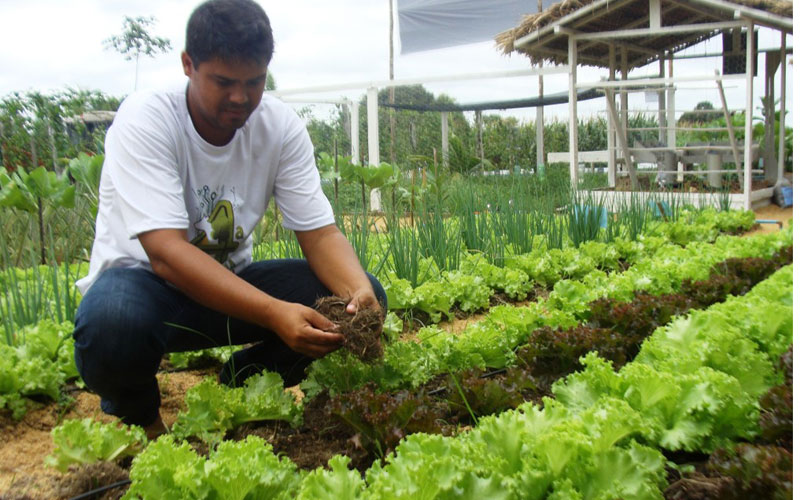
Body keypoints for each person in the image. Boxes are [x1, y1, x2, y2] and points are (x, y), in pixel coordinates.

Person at [72, 0, 386, 439]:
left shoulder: (278, 126)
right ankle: (147, 426)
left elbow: (320, 234)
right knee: (112, 321)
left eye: (254, 82)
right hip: (145, 293)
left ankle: (241, 385)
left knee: (359, 297)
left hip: (225, 288)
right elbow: (165, 253)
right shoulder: (147, 119)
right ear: (188, 65)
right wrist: (275, 313)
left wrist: (357, 294)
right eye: (223, 81)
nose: (240, 98)